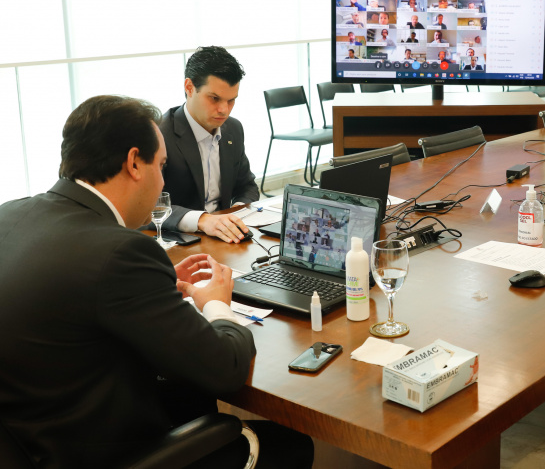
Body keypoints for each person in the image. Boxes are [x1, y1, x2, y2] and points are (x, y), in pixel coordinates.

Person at [0, 95, 312, 468]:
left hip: (35, 439)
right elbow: (226, 370)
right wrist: (217, 303)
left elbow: (79, 295)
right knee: (292, 445)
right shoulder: (118, 253)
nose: (163, 179)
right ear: (134, 163)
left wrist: (154, 281)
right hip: (108, 451)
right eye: (161, 165)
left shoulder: (10, 215)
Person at [159, 47, 258, 244]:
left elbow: (247, 186)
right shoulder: (160, 134)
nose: (224, 110)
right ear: (189, 87)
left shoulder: (233, 129)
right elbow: (149, 207)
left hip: (225, 238)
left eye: (231, 101)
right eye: (214, 98)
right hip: (180, 241)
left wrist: (235, 213)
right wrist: (203, 220)